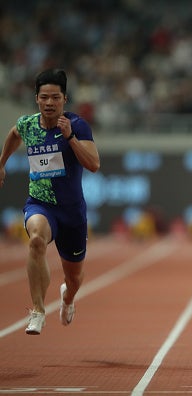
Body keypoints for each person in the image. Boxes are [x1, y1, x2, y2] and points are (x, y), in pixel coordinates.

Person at [0, 69, 100, 335]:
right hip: (40, 205)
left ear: (64, 99)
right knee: (35, 240)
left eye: (55, 97)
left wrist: (70, 138)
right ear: (36, 99)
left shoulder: (77, 125)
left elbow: (94, 164)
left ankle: (67, 298)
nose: (49, 103)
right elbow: (13, 134)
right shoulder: (28, 124)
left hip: (72, 212)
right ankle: (38, 310)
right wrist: (1, 164)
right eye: (44, 97)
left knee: (74, 278)